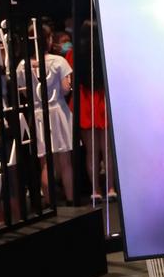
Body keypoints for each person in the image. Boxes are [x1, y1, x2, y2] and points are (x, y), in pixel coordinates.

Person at [16, 23, 74, 206]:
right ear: (48, 40)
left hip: (38, 113)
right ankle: (71, 200)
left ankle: (49, 204)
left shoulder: (22, 66)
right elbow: (65, 89)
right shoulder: (59, 61)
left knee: (45, 163)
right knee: (65, 161)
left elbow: (25, 93)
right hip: (58, 110)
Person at [66, 19, 117, 203]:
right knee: (107, 150)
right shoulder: (106, 50)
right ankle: (111, 188)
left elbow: (71, 80)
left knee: (91, 151)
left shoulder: (73, 53)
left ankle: (95, 190)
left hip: (84, 101)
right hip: (103, 99)